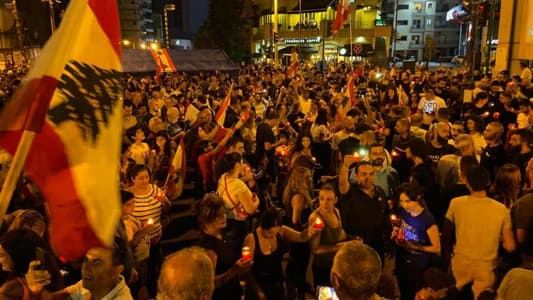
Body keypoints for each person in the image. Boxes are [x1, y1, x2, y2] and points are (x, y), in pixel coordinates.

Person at [443, 165, 516, 298]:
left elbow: (447, 234)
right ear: (488, 183)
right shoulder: (501, 210)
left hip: (460, 265)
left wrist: (446, 257)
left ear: (468, 183)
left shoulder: (456, 203)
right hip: (486, 269)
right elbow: (510, 246)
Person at [243, 208, 318, 299]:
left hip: (277, 283)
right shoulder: (251, 239)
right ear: (261, 226)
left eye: (276, 233)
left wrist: (311, 231)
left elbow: (301, 237)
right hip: (258, 284)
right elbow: (246, 270)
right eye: (269, 233)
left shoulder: (281, 231)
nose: (272, 236)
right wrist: (258, 291)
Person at [25, 237, 133, 300]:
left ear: (118, 270)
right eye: (86, 260)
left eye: (97, 263)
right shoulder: (93, 284)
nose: (86, 268)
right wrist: (36, 290)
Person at [196, 193, 252, 300]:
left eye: (224, 213)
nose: (224, 217)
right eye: (218, 215)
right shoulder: (208, 248)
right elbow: (209, 284)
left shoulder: (222, 236)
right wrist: (234, 270)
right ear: (207, 219)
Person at [393, 183, 441, 300]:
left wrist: (416, 247)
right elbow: (401, 225)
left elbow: (437, 248)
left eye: (408, 201)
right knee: (404, 291)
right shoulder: (403, 212)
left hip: (418, 266)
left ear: (418, 198)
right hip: (403, 261)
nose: (404, 205)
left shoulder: (427, 220)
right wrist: (396, 231)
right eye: (402, 201)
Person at [340, 159, 388, 259]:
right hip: (356, 244)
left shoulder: (380, 192)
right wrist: (345, 166)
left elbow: (384, 216)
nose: (368, 177)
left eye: (371, 174)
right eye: (364, 174)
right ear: (356, 176)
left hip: (376, 244)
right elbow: (342, 184)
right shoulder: (351, 192)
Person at [0, 229, 64, 299]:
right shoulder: (50, 274)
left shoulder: (8, 291)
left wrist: (35, 293)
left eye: (1, 255)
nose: (0, 260)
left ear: (16, 255)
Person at [282, 167, 314, 299]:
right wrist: (307, 226)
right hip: (299, 234)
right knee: (300, 261)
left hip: (296, 233)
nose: (310, 178)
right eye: (308, 177)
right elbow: (296, 219)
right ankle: (298, 288)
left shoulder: (292, 191)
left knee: (295, 261)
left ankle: (293, 285)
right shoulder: (299, 197)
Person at [216, 153, 260, 250]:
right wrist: (257, 200)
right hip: (238, 223)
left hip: (226, 218)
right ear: (236, 165)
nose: (244, 165)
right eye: (242, 162)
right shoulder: (239, 185)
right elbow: (250, 209)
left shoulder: (224, 177)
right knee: (239, 248)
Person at [310, 184, 348, 287]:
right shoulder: (316, 218)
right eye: (322, 199)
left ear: (336, 200)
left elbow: (340, 233)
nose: (324, 203)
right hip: (323, 267)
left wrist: (352, 238)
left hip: (337, 265)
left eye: (329, 199)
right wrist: (339, 247)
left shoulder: (336, 211)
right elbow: (315, 249)